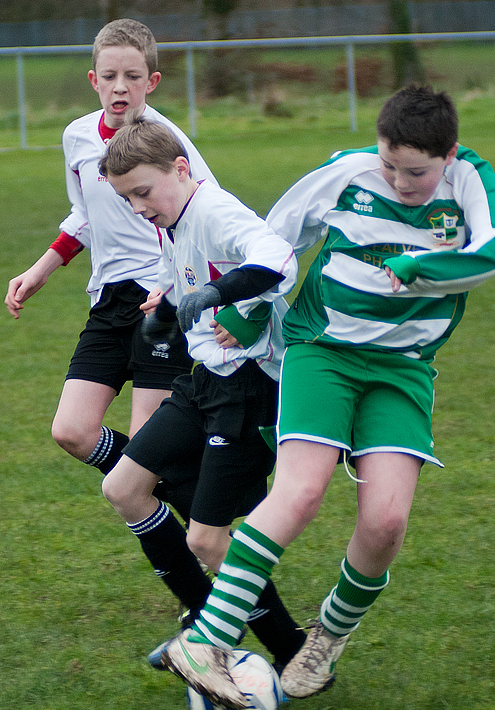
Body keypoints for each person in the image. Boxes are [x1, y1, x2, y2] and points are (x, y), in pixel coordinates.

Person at [159, 84, 495, 710]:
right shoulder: (347, 173)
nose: (403, 184)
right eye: (391, 167)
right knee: (300, 492)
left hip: (404, 367)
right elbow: (277, 241)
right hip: (323, 349)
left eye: (419, 173)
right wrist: (246, 314)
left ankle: (327, 636)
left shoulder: (470, 182)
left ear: (449, 155)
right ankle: (207, 641)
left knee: (386, 523)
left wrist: (417, 268)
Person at [98, 116, 308, 672]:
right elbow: (180, 268)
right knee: (124, 487)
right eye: (128, 200)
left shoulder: (215, 210)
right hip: (203, 382)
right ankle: (204, 624)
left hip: (250, 388)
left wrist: (220, 293)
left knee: (209, 543)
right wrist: (165, 308)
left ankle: (295, 655)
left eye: (143, 192)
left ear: (181, 168)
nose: (140, 207)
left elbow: (278, 259)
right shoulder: (176, 217)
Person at [4, 20, 215, 489]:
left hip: (160, 305)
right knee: (73, 431)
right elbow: (83, 214)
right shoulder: (77, 137)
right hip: (108, 300)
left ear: (152, 82)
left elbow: (208, 216)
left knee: (143, 454)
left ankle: (192, 532)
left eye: (133, 77)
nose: (120, 88)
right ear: (93, 79)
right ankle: (189, 492)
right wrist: (42, 269)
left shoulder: (169, 143)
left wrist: (178, 286)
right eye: (110, 76)